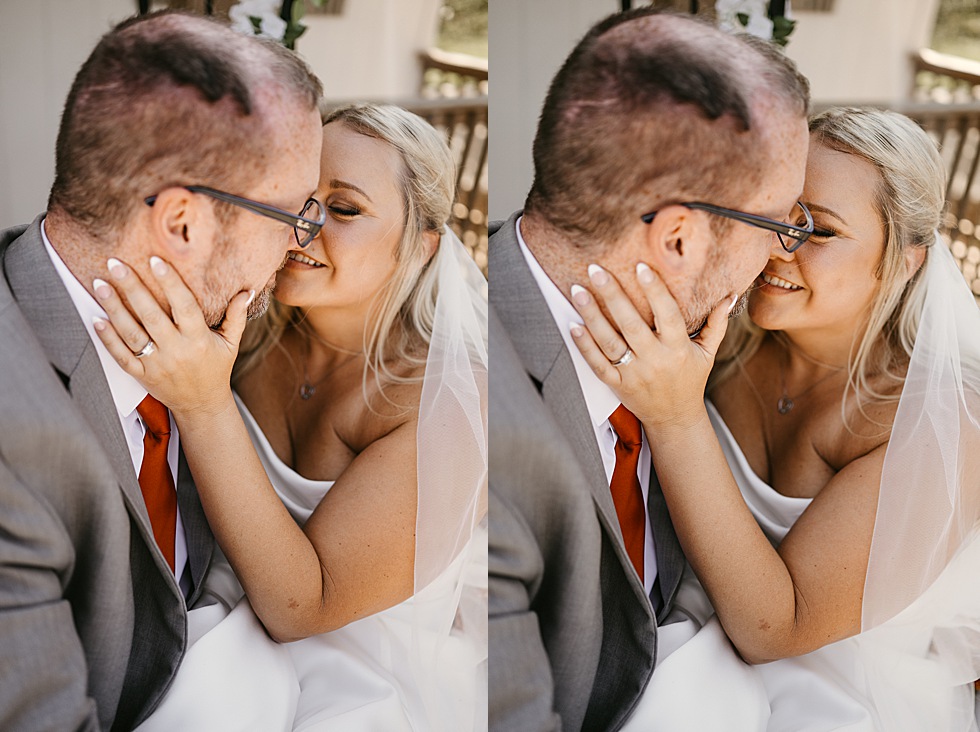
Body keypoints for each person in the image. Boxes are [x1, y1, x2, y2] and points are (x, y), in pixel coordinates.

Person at [569, 107, 980, 730]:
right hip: (678, 629)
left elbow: (777, 630)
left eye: (819, 231)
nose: (777, 247)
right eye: (774, 214)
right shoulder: (727, 333)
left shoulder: (940, 425)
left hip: (834, 691)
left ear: (903, 260)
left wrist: (677, 418)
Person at [91, 103, 488, 731]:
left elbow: (303, 608)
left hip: (355, 672)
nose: (302, 226)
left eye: (344, 209)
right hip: (211, 611)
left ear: (420, 247)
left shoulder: (449, 406)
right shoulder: (249, 322)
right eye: (300, 199)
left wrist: (204, 402)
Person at [488, 7, 812, 731]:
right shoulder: (488, 448)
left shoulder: (712, 346)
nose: (782, 254)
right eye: (778, 224)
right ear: (678, 240)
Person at [0, 11, 323, 731]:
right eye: (293, 216)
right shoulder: (12, 447)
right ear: (183, 224)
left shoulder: (220, 328)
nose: (300, 248)